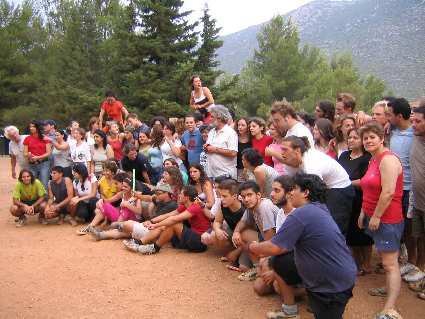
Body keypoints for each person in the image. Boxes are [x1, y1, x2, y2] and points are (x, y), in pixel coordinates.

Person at [249, 173, 356, 319]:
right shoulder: (319, 208)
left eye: (294, 189)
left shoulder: (301, 214)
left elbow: (275, 247)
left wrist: (253, 247)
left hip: (331, 284)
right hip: (339, 275)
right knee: (280, 262)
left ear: (306, 193)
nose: (290, 193)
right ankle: (291, 310)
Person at [359, 122, 404, 319]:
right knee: (386, 260)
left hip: (387, 218)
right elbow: (368, 188)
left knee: (390, 263)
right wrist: (363, 212)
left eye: (372, 137)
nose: (368, 140)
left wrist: (376, 216)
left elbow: (388, 192)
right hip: (373, 215)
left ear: (382, 138)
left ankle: (390, 308)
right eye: (365, 138)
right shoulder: (373, 159)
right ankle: (387, 289)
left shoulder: (388, 160)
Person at [280, 136, 354, 236]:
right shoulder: (291, 163)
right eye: (281, 149)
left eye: (285, 150)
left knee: (334, 228)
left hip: (340, 189)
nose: (281, 153)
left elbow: (315, 194)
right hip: (326, 188)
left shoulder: (312, 164)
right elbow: (291, 186)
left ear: (297, 150)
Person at [123, 185, 211, 254]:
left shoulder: (195, 207)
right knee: (165, 225)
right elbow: (168, 215)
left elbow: (174, 219)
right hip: (192, 237)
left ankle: (155, 248)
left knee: (173, 224)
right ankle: (139, 242)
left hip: (200, 242)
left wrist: (155, 225)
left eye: (181, 194)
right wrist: (152, 221)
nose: (179, 195)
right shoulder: (185, 205)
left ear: (187, 197)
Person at [387, 98, 418, 281]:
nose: (387, 118)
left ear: (399, 116)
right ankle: (399, 261)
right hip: (394, 188)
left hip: (409, 189)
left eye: (390, 114)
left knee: (409, 229)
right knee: (396, 226)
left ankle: (412, 264)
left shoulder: (416, 134)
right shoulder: (393, 131)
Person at [338, 128, 373, 275]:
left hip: (361, 199)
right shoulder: (344, 155)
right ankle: (356, 263)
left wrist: (346, 182)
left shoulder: (367, 158)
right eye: (349, 137)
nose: (351, 140)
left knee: (363, 234)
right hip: (345, 200)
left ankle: (367, 264)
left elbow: (366, 181)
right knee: (350, 233)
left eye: (355, 138)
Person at [91, 183, 179, 241]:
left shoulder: (172, 205)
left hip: (156, 230)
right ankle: (101, 235)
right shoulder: (160, 199)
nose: (156, 195)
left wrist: (150, 222)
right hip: (150, 226)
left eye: (159, 193)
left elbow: (161, 219)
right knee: (126, 232)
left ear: (167, 194)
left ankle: (120, 225)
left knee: (127, 225)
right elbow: (148, 197)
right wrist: (137, 195)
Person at [232, 181, 279, 281]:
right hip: (268, 242)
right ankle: (256, 267)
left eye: (249, 195)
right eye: (243, 196)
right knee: (242, 234)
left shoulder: (264, 207)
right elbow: (243, 221)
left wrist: (259, 253)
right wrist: (236, 232)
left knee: (260, 286)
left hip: (278, 247)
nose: (246, 199)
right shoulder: (251, 206)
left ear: (258, 195)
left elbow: (270, 241)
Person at [201, 179, 245, 269]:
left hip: (245, 237)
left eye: (225, 196)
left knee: (243, 266)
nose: (221, 199)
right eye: (220, 196)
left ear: (235, 196)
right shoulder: (223, 205)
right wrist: (217, 230)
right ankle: (231, 252)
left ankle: (236, 254)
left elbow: (249, 237)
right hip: (234, 233)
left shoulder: (244, 209)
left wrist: (237, 252)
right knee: (214, 235)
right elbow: (217, 221)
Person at [409, 105, 425, 299]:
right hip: (418, 202)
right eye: (412, 121)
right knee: (420, 240)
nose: (414, 125)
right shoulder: (414, 136)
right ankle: (421, 278)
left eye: (418, 121)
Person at [204, 105, 238, 180]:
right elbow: (210, 149)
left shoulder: (230, 133)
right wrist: (206, 147)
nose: (210, 119)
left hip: (225, 175)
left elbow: (233, 153)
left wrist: (215, 149)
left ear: (219, 118)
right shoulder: (211, 132)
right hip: (211, 174)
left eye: (212, 116)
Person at [23, 120, 52, 189]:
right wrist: (28, 155)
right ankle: (33, 199)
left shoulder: (45, 138)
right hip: (32, 164)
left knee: (44, 184)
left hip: (44, 164)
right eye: (30, 127)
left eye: (33, 126)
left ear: (38, 127)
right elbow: (25, 153)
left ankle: (45, 198)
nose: (31, 128)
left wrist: (38, 157)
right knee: (32, 183)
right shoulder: (27, 138)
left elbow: (48, 153)